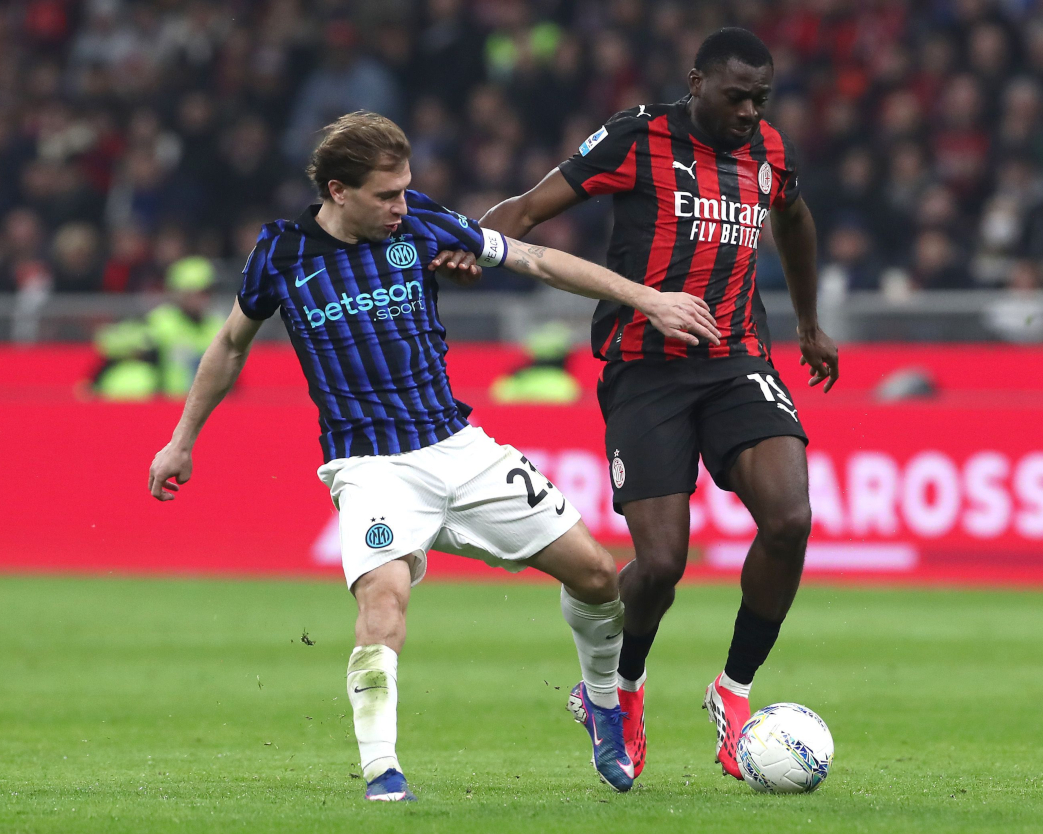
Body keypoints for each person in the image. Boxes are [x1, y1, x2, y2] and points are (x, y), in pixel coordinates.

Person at [146, 112, 719, 802]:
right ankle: (382, 772)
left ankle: (601, 707)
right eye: (386, 194)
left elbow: (535, 259)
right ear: (338, 191)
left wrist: (647, 298)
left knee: (599, 576)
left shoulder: (420, 222)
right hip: (371, 467)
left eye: (404, 189)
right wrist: (182, 439)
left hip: (458, 447)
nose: (400, 204)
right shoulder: (282, 254)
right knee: (382, 601)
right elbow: (231, 344)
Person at [433, 28, 840, 781]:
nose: (750, 112)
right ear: (697, 82)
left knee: (790, 520)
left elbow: (795, 219)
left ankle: (733, 691)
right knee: (659, 565)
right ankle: (618, 690)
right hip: (645, 371)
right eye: (737, 96)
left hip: (736, 360)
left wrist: (809, 326)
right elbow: (529, 206)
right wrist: (470, 246)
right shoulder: (638, 136)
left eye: (761, 99)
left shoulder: (769, 152)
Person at [145, 256, 225, 397]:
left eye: (206, 292)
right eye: (194, 293)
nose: (201, 299)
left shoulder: (218, 325)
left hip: (207, 403)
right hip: (169, 400)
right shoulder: (161, 321)